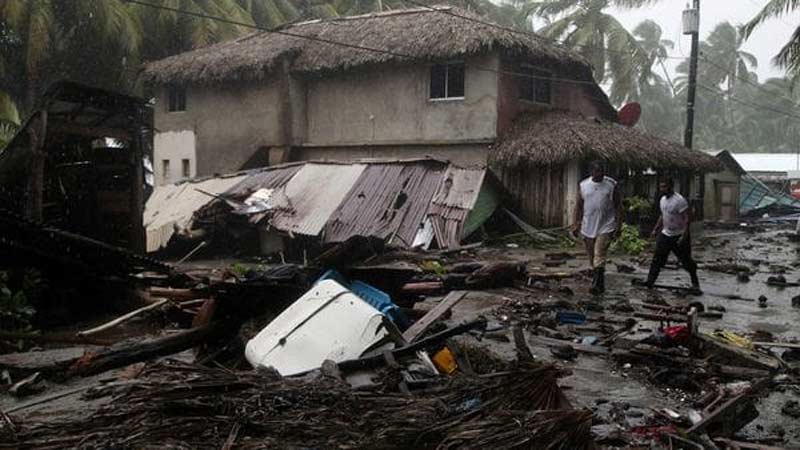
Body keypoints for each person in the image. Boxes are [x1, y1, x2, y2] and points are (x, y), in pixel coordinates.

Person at [572, 160, 623, 295]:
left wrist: (618, 225)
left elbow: (618, 206)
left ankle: (595, 284)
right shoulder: (584, 185)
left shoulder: (611, 185)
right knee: (592, 257)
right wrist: (575, 223)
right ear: (591, 172)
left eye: (602, 171)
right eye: (597, 171)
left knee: (599, 254)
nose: (600, 174)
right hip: (588, 225)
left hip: (606, 225)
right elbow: (578, 206)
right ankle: (600, 283)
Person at [645, 177, 700, 291]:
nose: (662, 189)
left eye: (664, 186)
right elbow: (662, 215)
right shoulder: (662, 200)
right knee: (657, 260)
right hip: (666, 234)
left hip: (679, 235)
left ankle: (695, 282)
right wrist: (656, 229)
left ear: (670, 187)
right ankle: (650, 282)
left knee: (686, 261)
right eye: (661, 187)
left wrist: (685, 234)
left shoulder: (679, 201)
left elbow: (687, 218)